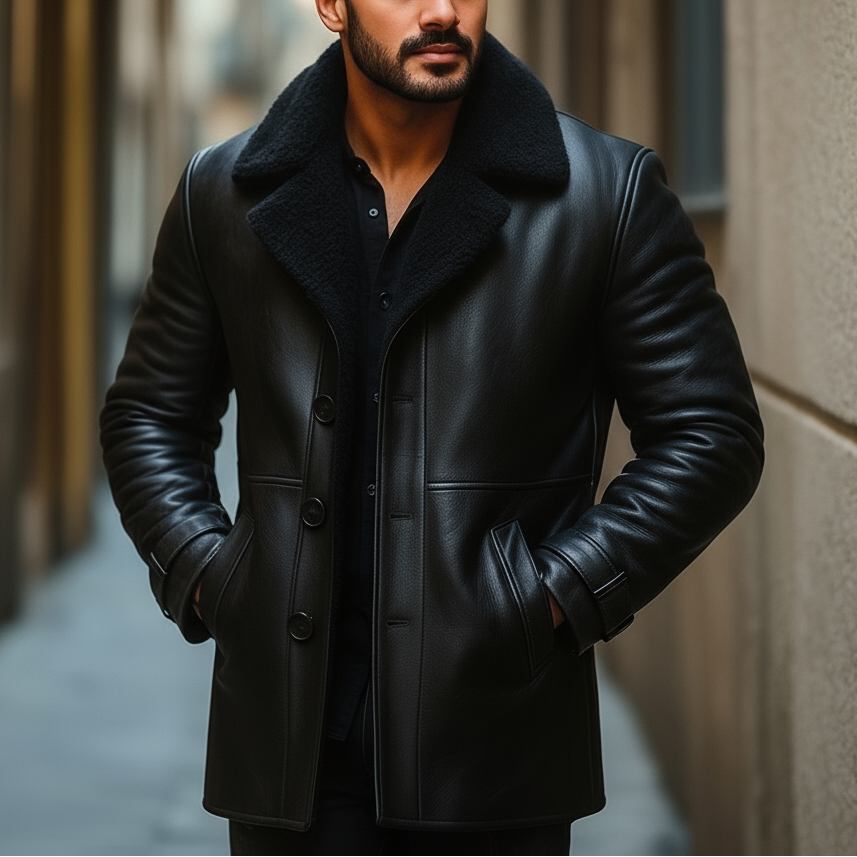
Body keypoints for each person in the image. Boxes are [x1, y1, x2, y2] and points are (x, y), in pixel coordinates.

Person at [100, 1, 764, 854]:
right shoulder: (221, 194)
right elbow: (148, 412)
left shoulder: (606, 191)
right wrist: (208, 573)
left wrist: (553, 596)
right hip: (291, 756)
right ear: (331, 7)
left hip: (495, 748)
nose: (444, 9)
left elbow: (711, 430)